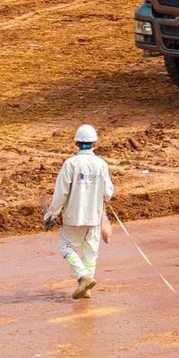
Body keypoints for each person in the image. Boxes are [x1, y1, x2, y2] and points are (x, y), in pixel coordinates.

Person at [44, 124, 114, 300]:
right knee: (90, 253)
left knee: (65, 246)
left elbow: (61, 193)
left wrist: (51, 214)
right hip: (93, 218)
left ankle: (83, 276)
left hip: (74, 217)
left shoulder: (71, 164)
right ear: (94, 143)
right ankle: (86, 288)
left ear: (77, 143)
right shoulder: (101, 164)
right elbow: (108, 193)